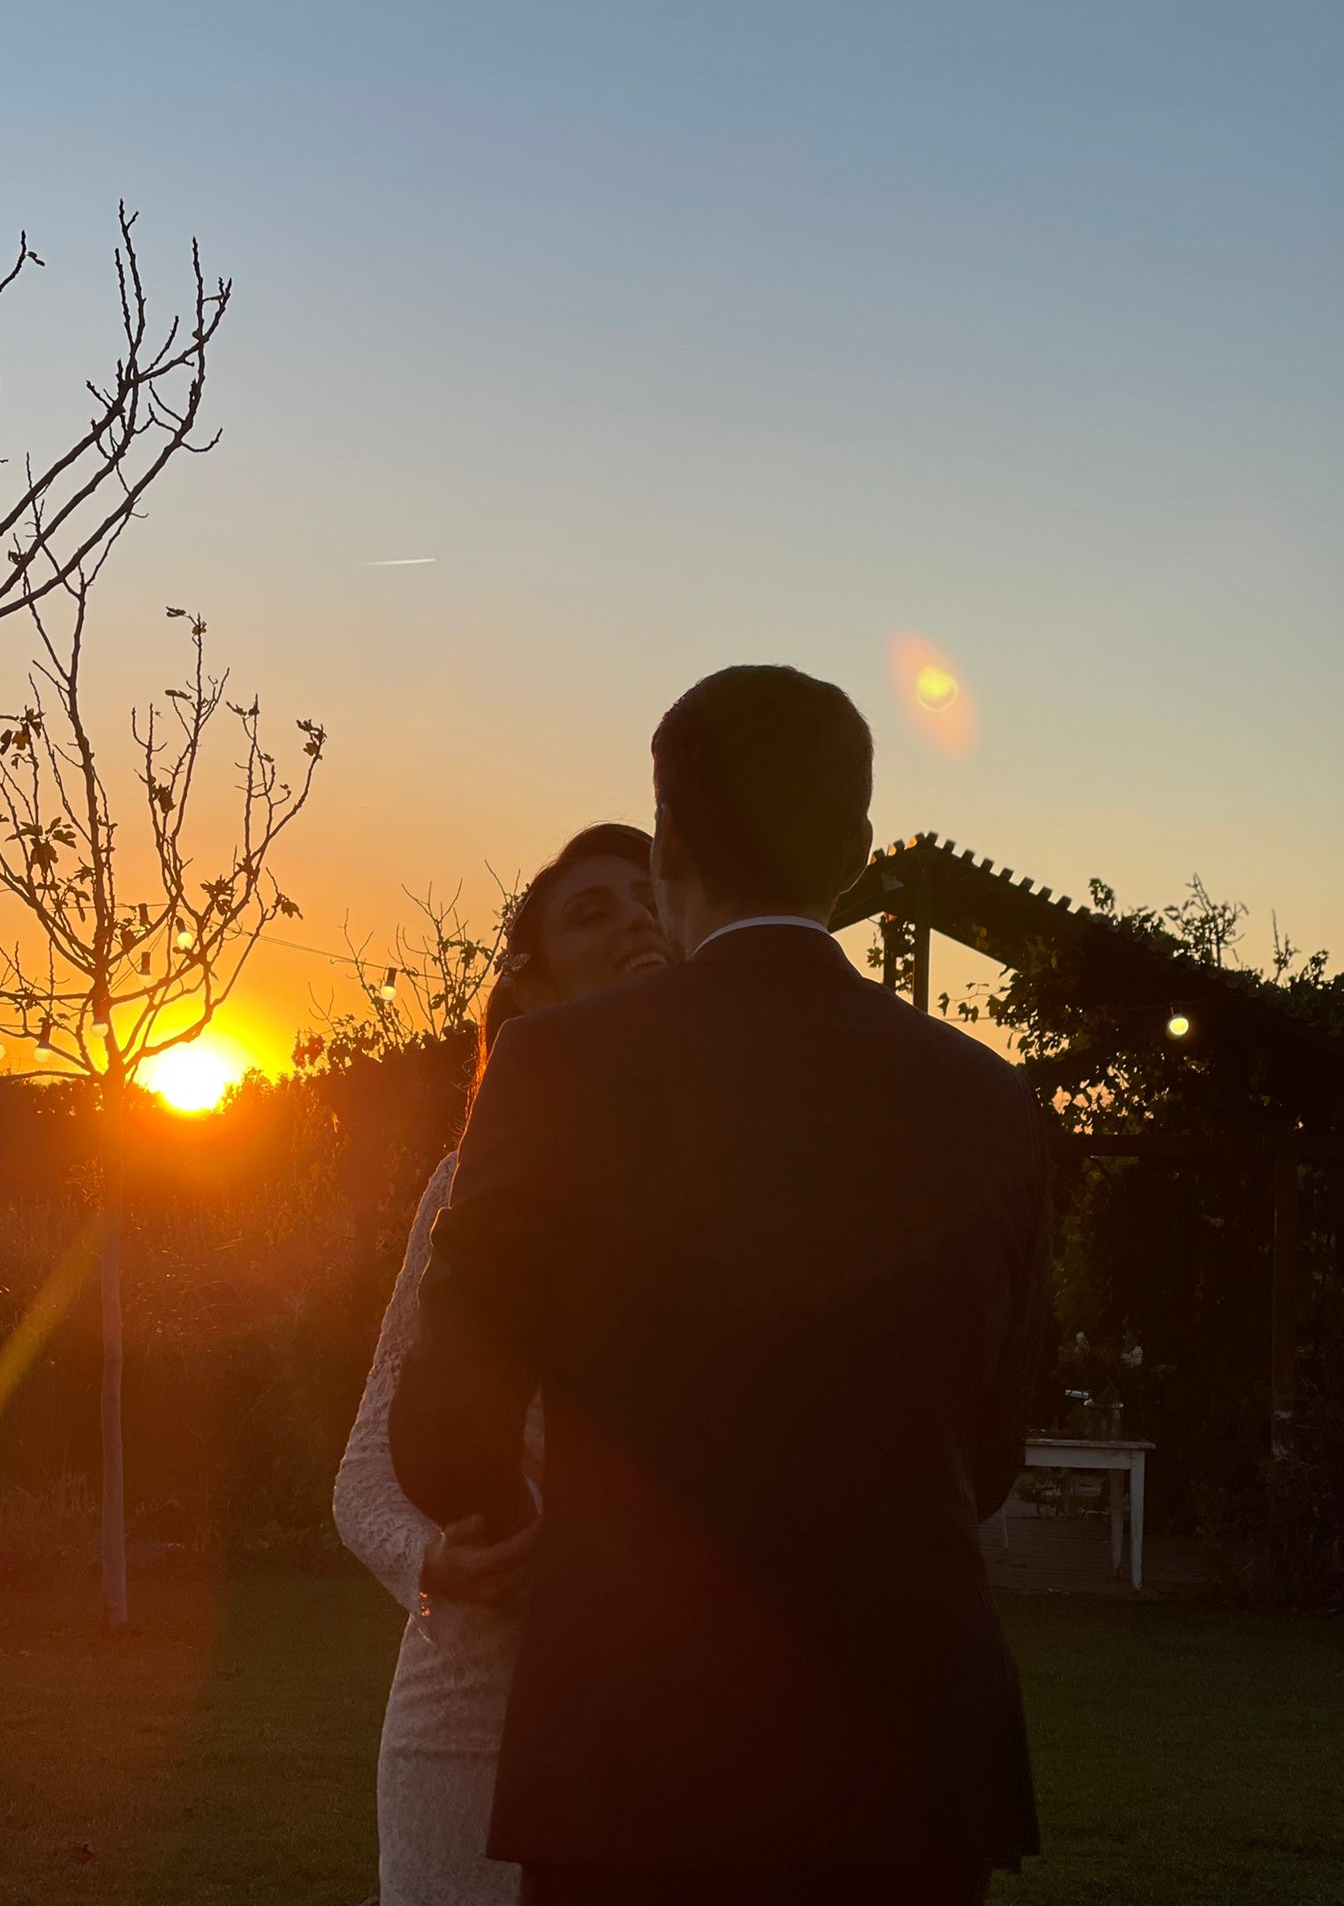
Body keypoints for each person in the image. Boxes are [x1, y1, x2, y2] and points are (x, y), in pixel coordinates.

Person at [390, 664, 1050, 1906]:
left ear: (671, 839)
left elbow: (445, 1414)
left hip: (633, 1744)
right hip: (905, 1758)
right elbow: (993, 1445)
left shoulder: (553, 1064)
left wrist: (504, 1514)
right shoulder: (988, 1100)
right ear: (854, 851)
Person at [333, 823, 670, 1906]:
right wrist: (434, 1556)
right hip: (469, 1710)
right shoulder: (471, 1183)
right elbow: (361, 1472)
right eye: (594, 909)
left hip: (671, 1705)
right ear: (531, 981)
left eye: (652, 895)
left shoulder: (742, 1175)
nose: (636, 919)